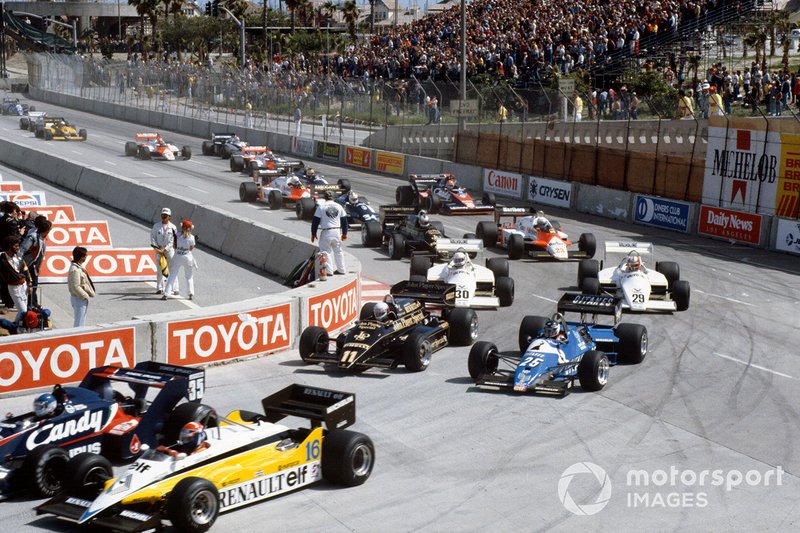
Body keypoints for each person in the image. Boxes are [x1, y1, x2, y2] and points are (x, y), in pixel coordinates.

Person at [311, 190, 348, 277]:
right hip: (337, 231)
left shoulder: (321, 206)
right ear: (333, 197)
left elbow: (315, 221)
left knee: (325, 251)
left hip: (326, 231)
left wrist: (313, 233)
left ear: (325, 197)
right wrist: (344, 233)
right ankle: (341, 270)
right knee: (338, 251)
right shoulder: (339, 206)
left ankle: (329, 271)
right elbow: (344, 221)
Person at [19, 216, 52, 308]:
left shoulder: (41, 238)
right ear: (47, 230)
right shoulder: (33, 237)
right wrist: (18, 264)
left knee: (34, 284)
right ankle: (29, 304)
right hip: (26, 264)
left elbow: (40, 254)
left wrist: (38, 266)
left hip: (33, 264)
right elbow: (22, 250)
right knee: (29, 284)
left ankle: (33, 302)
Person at [163, 220, 197, 301]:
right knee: (189, 276)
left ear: (182, 227)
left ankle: (166, 293)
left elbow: (174, 246)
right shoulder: (192, 237)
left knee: (172, 275)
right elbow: (191, 249)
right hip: (187, 257)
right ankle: (190, 293)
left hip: (177, 256)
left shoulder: (177, 235)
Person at [0, 236, 31, 321]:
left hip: (23, 286)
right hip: (14, 288)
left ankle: (16, 327)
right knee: (23, 311)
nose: (18, 248)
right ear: (10, 246)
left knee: (23, 311)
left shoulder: (18, 258)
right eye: (16, 246)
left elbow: (26, 270)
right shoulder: (2, 258)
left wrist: (29, 284)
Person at [150, 207, 177, 295]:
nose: (164, 217)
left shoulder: (173, 227)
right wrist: (157, 248)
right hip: (158, 250)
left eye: (166, 216)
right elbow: (152, 237)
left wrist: (165, 249)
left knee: (172, 269)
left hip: (169, 250)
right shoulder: (156, 226)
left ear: (169, 217)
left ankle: (175, 288)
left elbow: (173, 240)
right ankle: (159, 288)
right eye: (163, 215)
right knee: (159, 269)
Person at [68, 246, 95, 327]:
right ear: (81, 257)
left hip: (80, 298)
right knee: (79, 322)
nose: (86, 257)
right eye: (85, 255)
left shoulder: (79, 267)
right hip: (79, 298)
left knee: (81, 320)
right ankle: (76, 338)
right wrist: (85, 296)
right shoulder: (75, 270)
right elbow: (75, 286)